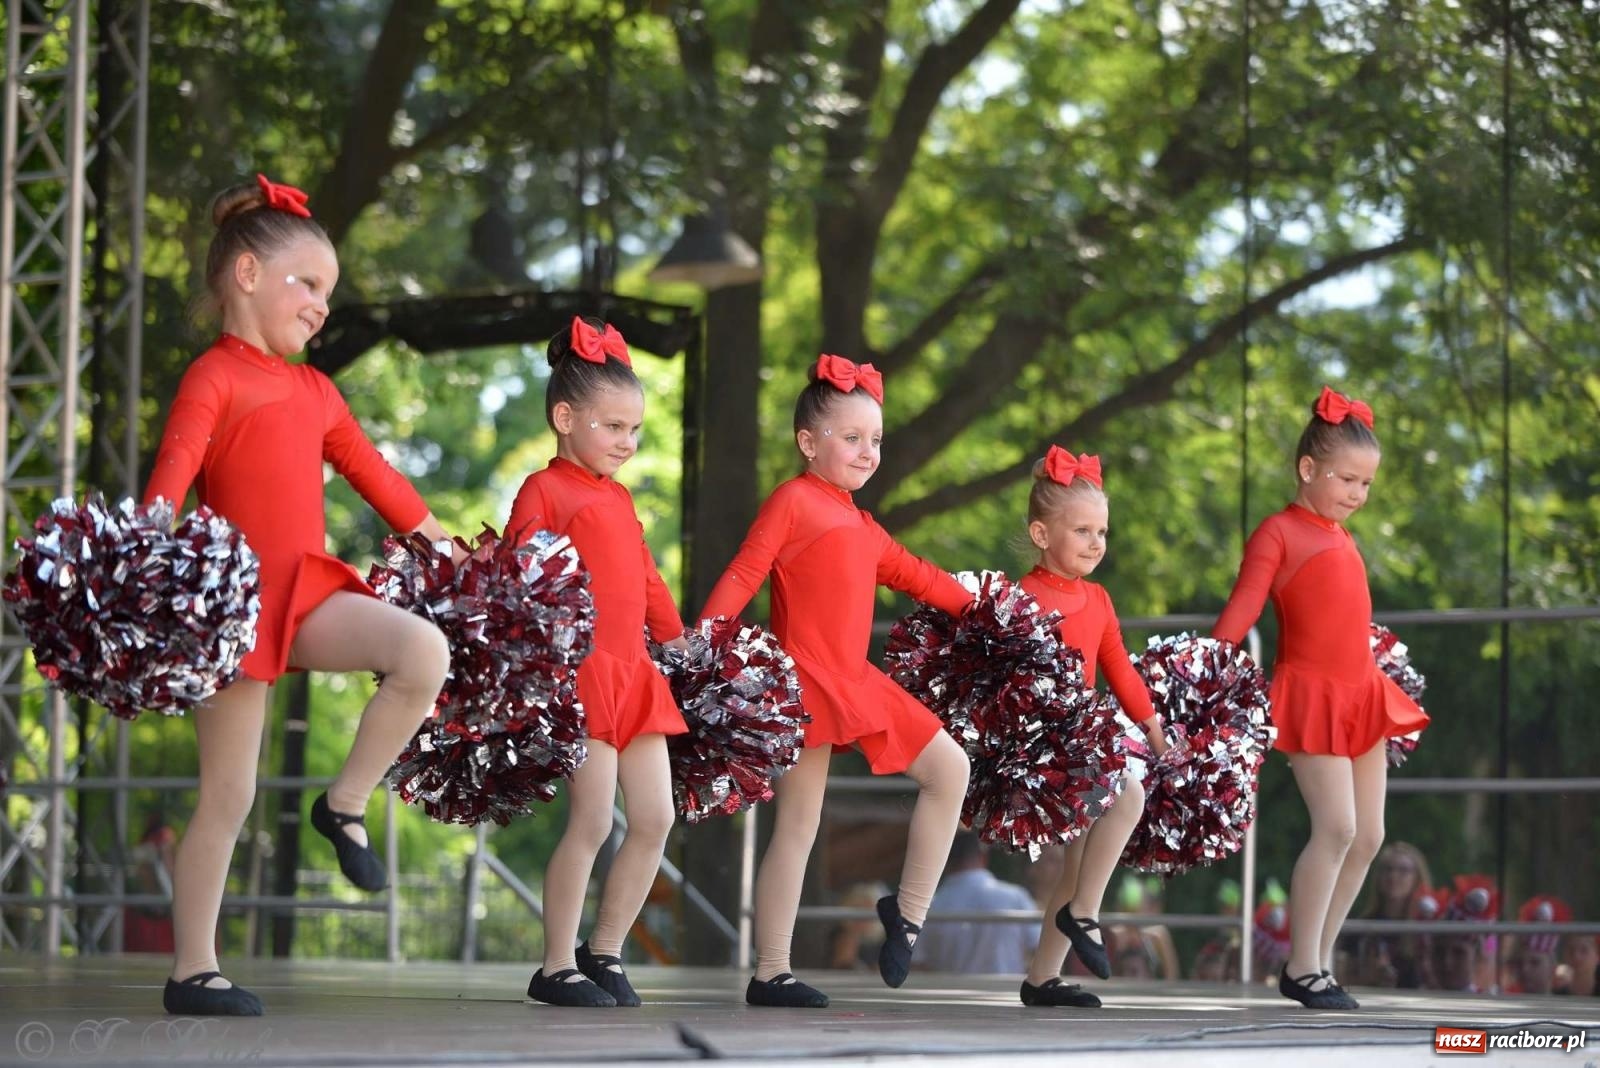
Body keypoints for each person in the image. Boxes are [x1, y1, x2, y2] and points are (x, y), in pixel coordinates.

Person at [143, 174, 454, 1016]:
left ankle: (344, 804)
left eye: (329, 291)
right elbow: (168, 483)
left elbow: (371, 472)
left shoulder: (315, 390)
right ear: (248, 276)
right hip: (234, 608)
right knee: (230, 796)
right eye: (310, 285)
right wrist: (142, 552)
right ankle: (192, 973)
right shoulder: (213, 376)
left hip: (307, 595)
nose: (323, 305)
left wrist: (442, 539)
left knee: (423, 650)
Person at [702, 354, 974, 1008]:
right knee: (798, 828)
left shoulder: (863, 525)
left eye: (875, 440)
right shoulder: (792, 501)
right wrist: (704, 638)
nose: (867, 451)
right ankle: (772, 971)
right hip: (804, 685)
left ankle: (906, 915)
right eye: (851, 438)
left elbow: (921, 576)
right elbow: (746, 572)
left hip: (856, 681)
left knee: (952, 770)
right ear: (807, 442)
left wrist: (995, 611)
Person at [1212, 386, 1428, 1011]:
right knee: (1335, 827)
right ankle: (1301, 966)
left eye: (1366, 484)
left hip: (1363, 694)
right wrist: (1203, 672)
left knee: (1368, 837)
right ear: (1308, 470)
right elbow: (1241, 613)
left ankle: (1318, 962)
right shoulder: (1278, 531)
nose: (1358, 495)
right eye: (1347, 479)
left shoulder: (1342, 535)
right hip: (1310, 695)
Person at [507, 316, 690, 1008]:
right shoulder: (544, 489)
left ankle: (604, 948)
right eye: (613, 427)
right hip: (583, 677)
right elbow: (521, 573)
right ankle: (555, 964)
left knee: (654, 819)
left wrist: (676, 639)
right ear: (565, 417)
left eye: (633, 430)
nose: (627, 442)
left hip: (634, 674)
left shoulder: (618, 497)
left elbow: (643, 577)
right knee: (589, 821)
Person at [1010, 448, 1169, 1008]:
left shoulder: (1098, 598)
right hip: (1041, 744)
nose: (1097, 542)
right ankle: (1085, 915)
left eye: (1102, 530)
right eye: (1082, 530)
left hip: (1082, 738)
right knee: (1127, 791)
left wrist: (1151, 727)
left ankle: (1042, 978)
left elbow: (1119, 668)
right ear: (1041, 533)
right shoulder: (1023, 597)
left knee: (1078, 860)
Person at [915, 832, 1037, 976]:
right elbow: (1040, 948)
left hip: (948, 996)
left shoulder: (928, 907)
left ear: (944, 861)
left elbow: (917, 964)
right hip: (1007, 995)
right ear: (984, 857)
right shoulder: (1015, 897)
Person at [1343, 841, 1433, 988]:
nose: (1393, 876)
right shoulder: (1360, 928)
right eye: (1387, 869)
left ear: (1417, 877)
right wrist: (1369, 978)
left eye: (1403, 870)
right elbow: (1342, 978)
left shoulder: (1429, 926)